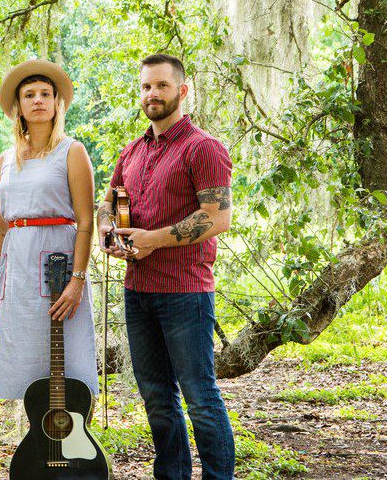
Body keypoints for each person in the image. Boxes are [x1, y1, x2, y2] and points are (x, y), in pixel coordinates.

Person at [98, 53, 235, 480]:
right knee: (157, 398)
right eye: (146, 86)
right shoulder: (133, 151)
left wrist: (152, 240)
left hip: (185, 293)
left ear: (182, 90)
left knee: (200, 397)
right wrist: (107, 234)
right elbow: (107, 204)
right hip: (138, 292)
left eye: (161, 85)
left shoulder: (203, 148)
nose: (152, 94)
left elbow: (217, 217)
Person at [0, 60, 98, 400]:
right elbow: (0, 224)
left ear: (56, 103)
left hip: (59, 264)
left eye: (45, 94)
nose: (38, 100)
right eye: (30, 95)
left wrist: (77, 280)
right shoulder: (7, 159)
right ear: (18, 106)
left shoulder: (72, 151)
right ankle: (36, 431)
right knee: (27, 357)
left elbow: (86, 221)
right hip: (17, 268)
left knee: (67, 355)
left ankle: (75, 428)